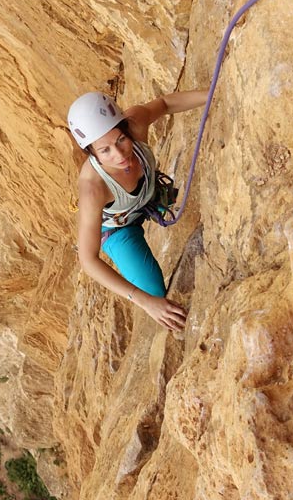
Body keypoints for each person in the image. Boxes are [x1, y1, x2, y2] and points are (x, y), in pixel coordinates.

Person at [67, 90, 208, 330]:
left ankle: (154, 204)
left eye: (120, 140)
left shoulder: (135, 124)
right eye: (105, 151)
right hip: (119, 228)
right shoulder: (93, 188)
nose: (120, 154)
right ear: (91, 152)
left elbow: (165, 103)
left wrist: (212, 92)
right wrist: (145, 301)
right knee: (155, 294)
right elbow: (88, 260)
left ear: (125, 127)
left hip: (146, 196)